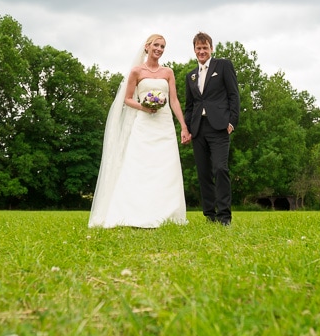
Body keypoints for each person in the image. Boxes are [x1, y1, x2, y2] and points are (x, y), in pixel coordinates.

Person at [89, 34, 191, 228]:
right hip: (144, 123)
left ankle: (166, 213)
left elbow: (174, 100)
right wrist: (144, 107)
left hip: (164, 123)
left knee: (165, 165)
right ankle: (134, 212)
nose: (159, 49)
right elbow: (127, 98)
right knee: (140, 165)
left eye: (162, 46)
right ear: (147, 46)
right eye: (156, 45)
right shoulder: (136, 71)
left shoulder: (168, 72)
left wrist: (183, 126)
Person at [184, 32, 240, 226]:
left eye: (205, 47)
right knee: (203, 172)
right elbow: (190, 106)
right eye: (198, 48)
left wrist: (232, 121)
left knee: (220, 168)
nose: (201, 51)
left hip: (219, 127)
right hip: (198, 129)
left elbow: (234, 95)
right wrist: (187, 128)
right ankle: (210, 215)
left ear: (211, 48)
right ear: (194, 50)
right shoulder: (190, 75)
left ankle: (225, 216)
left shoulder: (223, 66)